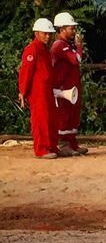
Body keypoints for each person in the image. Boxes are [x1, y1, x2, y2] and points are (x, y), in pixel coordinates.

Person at [17, 18, 58, 159]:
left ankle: (51, 146)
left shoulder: (45, 50)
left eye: (49, 34)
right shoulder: (32, 50)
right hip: (37, 91)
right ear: (37, 33)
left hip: (47, 90)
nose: (48, 36)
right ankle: (42, 149)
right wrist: (23, 91)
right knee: (40, 119)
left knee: (50, 118)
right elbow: (25, 72)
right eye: (45, 33)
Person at [50, 11, 86, 155]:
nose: (74, 30)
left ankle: (72, 143)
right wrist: (79, 46)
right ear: (62, 29)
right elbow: (75, 60)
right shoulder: (60, 45)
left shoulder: (66, 45)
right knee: (65, 116)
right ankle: (65, 145)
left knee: (72, 115)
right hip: (64, 87)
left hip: (71, 85)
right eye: (71, 28)